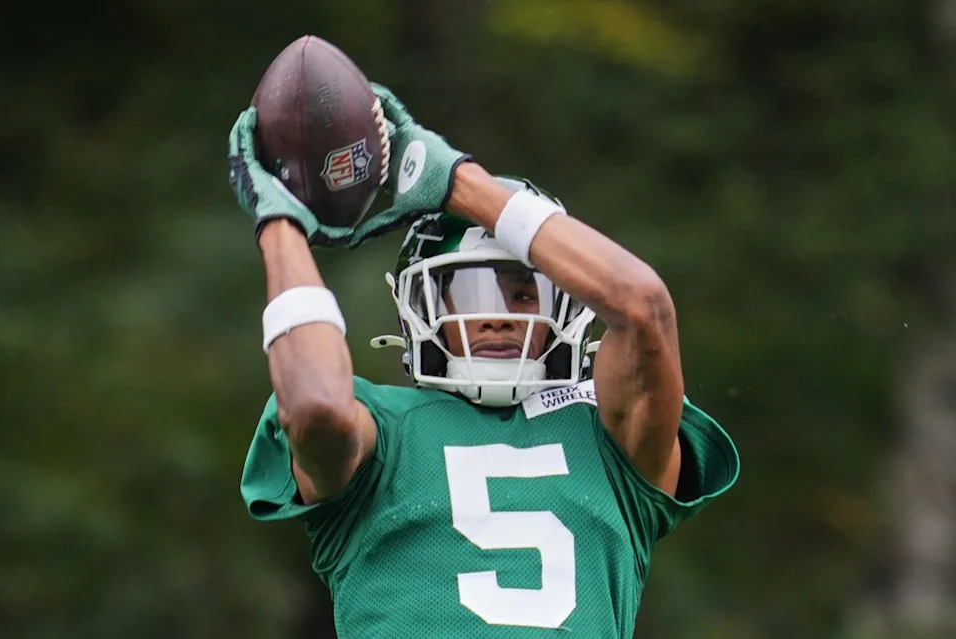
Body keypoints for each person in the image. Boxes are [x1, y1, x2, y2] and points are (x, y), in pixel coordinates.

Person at [228, 83, 739, 638]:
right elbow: (315, 409)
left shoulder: (612, 438)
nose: (497, 317)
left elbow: (644, 308)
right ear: (419, 303)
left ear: (569, 301)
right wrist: (280, 223)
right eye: (469, 294)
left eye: (522, 293)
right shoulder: (381, 429)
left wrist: (455, 180)